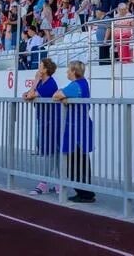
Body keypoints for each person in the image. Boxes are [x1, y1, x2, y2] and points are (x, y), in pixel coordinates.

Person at [53, 60, 95, 203]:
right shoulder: (83, 84)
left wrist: (64, 98)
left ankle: (84, 193)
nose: (67, 72)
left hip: (76, 130)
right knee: (81, 161)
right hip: (80, 127)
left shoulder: (76, 85)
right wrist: (66, 98)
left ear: (74, 71)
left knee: (76, 162)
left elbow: (56, 95)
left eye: (68, 70)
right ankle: (85, 192)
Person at [23, 57, 61, 196]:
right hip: (44, 120)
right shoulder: (42, 83)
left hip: (51, 121)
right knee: (53, 153)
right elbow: (27, 95)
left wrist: (35, 83)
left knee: (51, 153)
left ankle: (45, 183)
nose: (38, 68)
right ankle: (58, 183)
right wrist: (30, 91)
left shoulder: (49, 84)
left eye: (40, 66)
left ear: (45, 69)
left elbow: (31, 94)